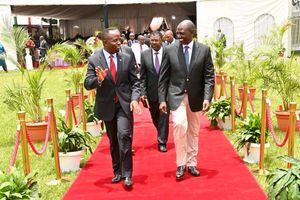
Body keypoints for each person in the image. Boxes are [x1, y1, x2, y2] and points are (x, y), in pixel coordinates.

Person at [84, 27, 141, 188]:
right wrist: (98, 80)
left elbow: (135, 82)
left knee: (124, 136)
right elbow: (87, 84)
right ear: (105, 42)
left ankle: (128, 174)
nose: (119, 42)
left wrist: (135, 99)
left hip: (124, 104)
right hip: (107, 106)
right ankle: (117, 171)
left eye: (119, 39)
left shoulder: (127, 55)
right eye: (115, 40)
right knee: (114, 141)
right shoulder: (95, 59)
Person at [158, 20, 215, 180]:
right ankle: (181, 163)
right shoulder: (169, 50)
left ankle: (192, 163)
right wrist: (162, 99)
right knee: (179, 125)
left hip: (196, 97)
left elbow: (209, 76)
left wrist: (207, 97)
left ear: (192, 32)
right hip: (176, 96)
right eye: (178, 32)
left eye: (182, 32)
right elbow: (163, 78)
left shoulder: (204, 50)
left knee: (193, 131)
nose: (179, 35)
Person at [140, 31, 169, 152]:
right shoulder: (145, 54)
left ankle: (162, 142)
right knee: (155, 117)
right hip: (151, 93)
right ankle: (161, 132)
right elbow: (143, 76)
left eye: (156, 40)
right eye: (152, 40)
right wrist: (143, 93)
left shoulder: (168, 53)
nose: (154, 42)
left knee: (164, 116)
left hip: (166, 92)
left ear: (162, 40)